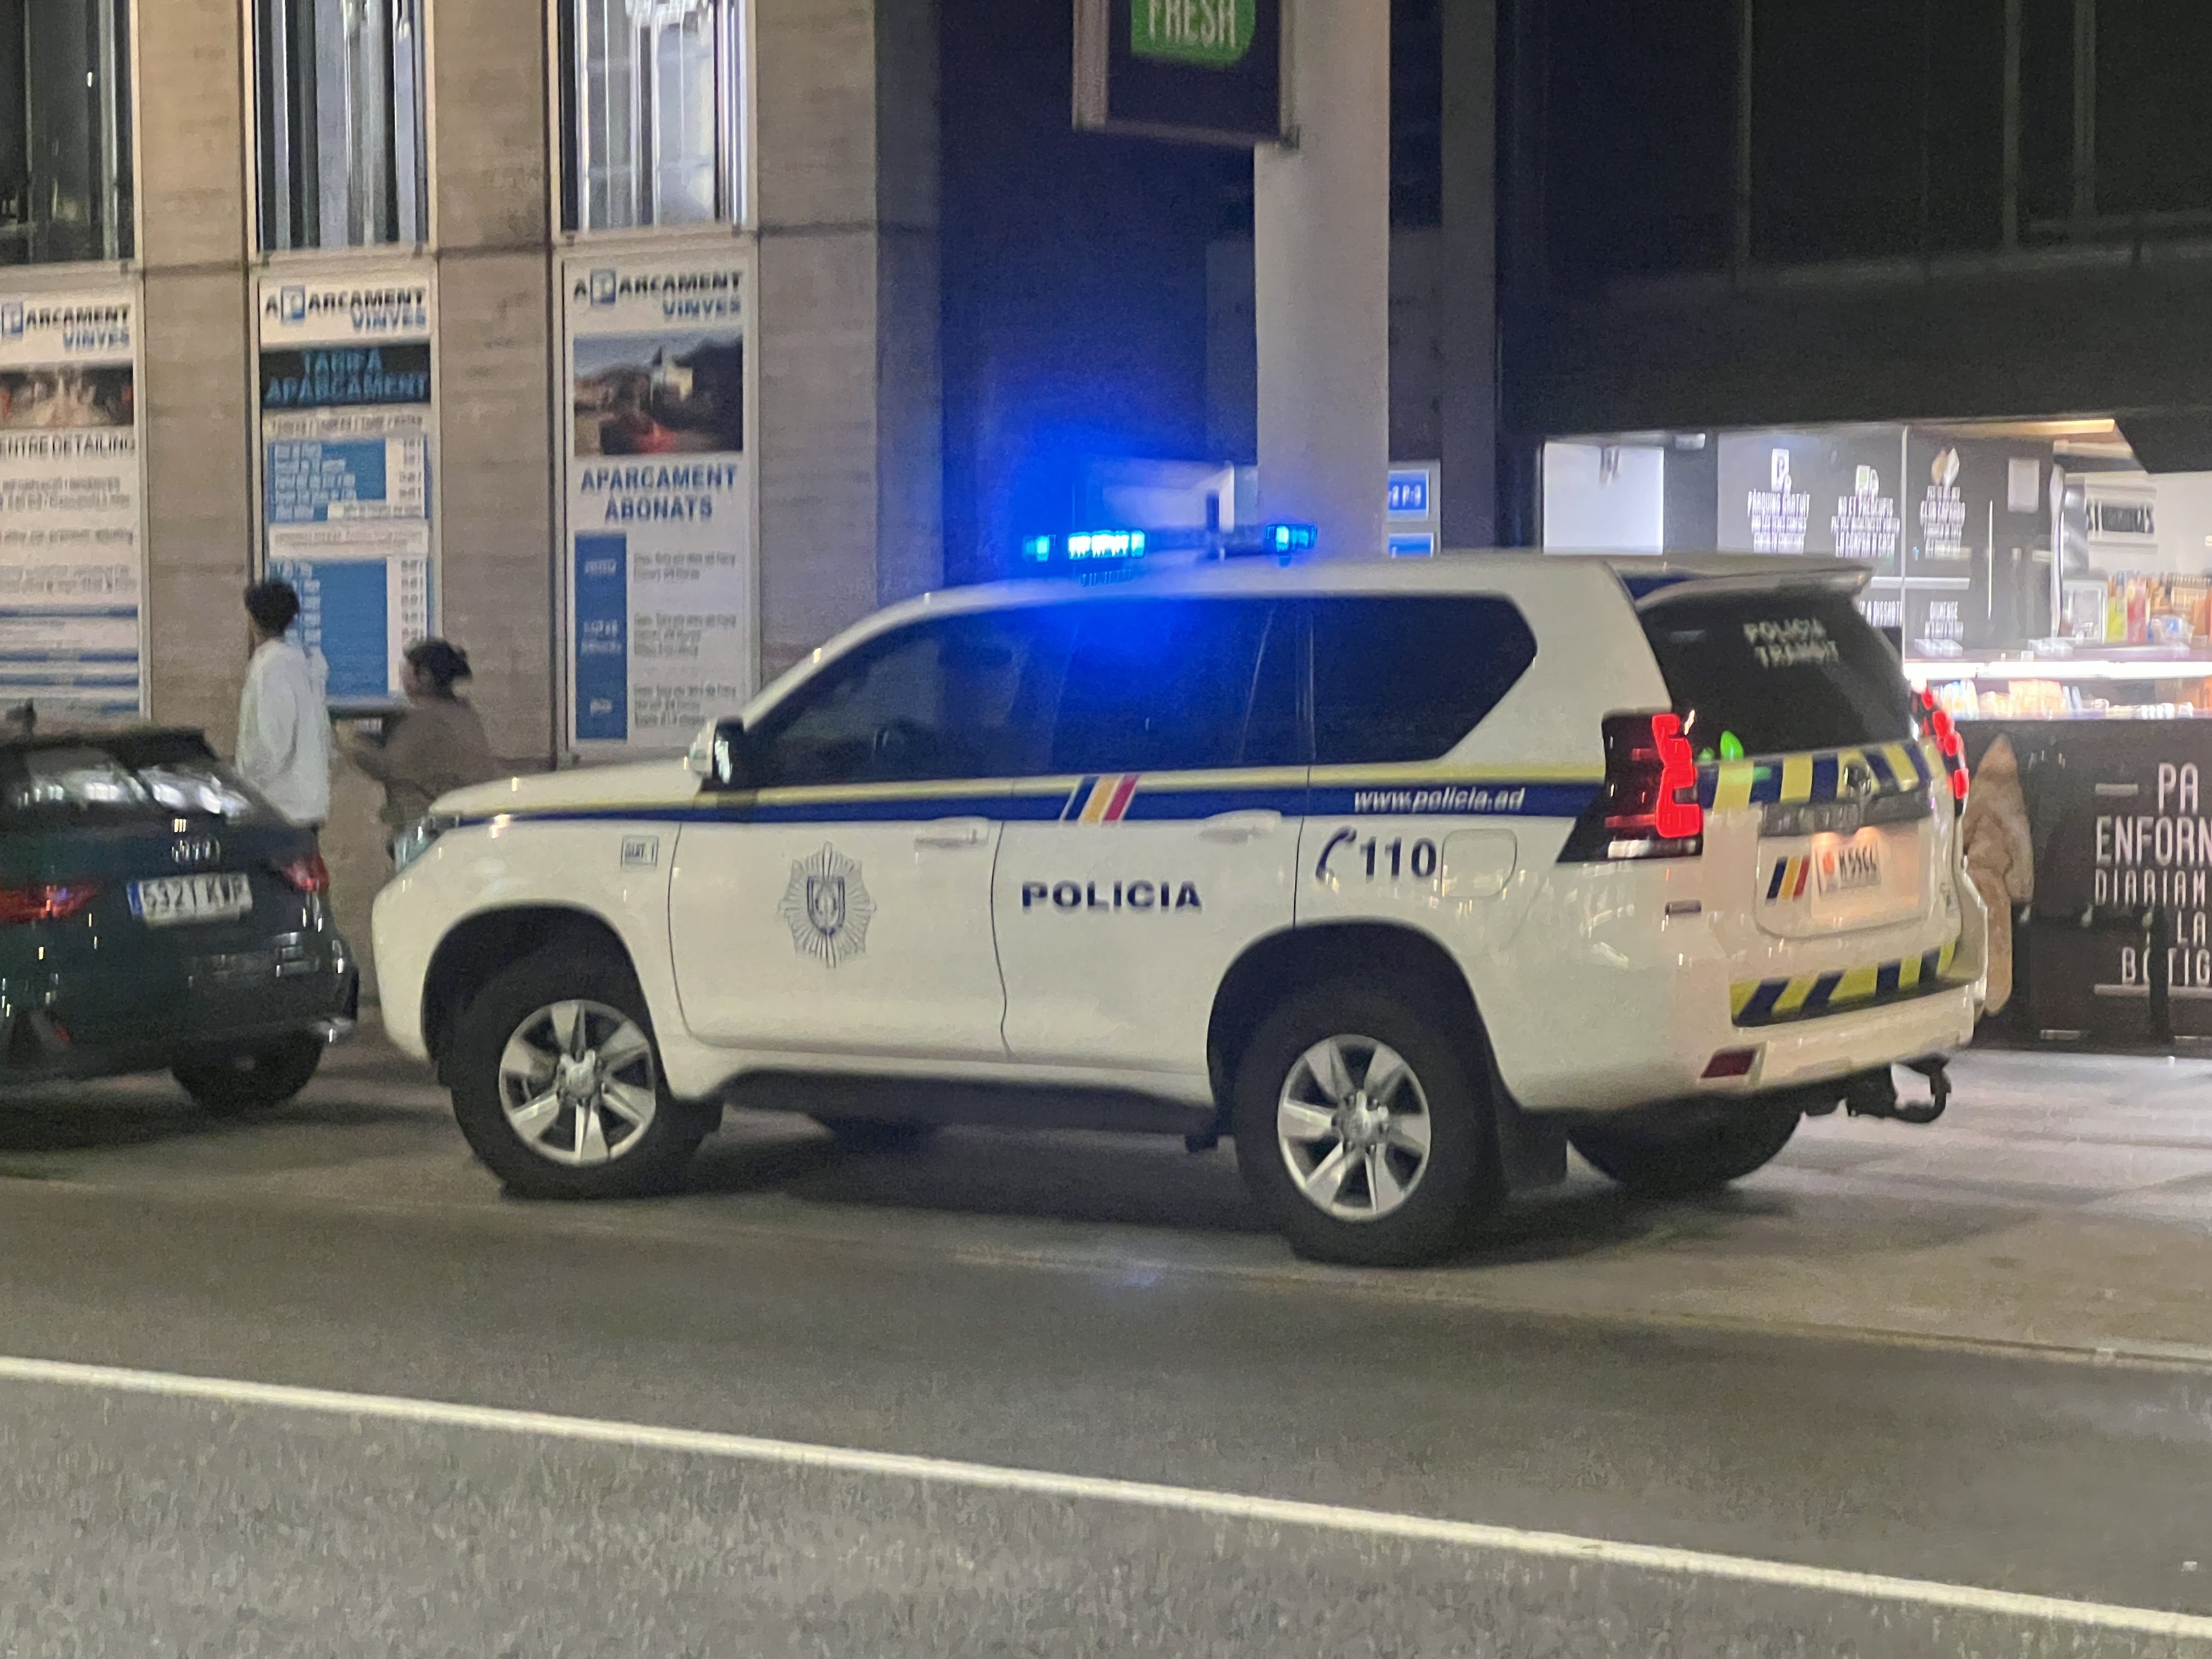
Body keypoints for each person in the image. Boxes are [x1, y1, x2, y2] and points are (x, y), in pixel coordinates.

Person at [343, 637, 500, 838]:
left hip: (433, 833)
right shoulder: (462, 712)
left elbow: (386, 767)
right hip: (464, 826)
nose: (403, 674)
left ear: (424, 676)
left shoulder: (426, 720)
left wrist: (349, 737)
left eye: (407, 669)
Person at [237, 579, 332, 830]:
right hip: (304, 804)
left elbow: (273, 741)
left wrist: (246, 785)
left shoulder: (272, 665)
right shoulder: (304, 661)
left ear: (253, 619)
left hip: (279, 806)